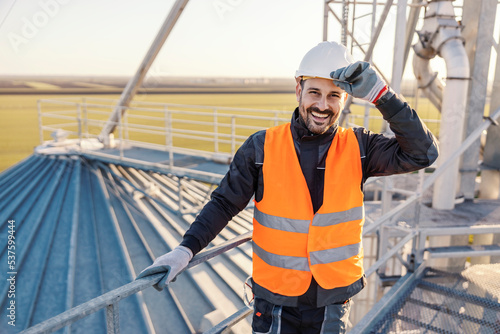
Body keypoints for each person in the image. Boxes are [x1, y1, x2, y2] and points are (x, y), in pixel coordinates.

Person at [136, 41, 439, 334]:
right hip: (275, 302)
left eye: (333, 95)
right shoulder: (260, 147)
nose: (322, 105)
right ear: (298, 90)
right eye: (314, 93)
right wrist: (185, 250)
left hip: (331, 300)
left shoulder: (360, 148)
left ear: (345, 98)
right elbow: (224, 204)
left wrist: (381, 96)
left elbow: (423, 153)